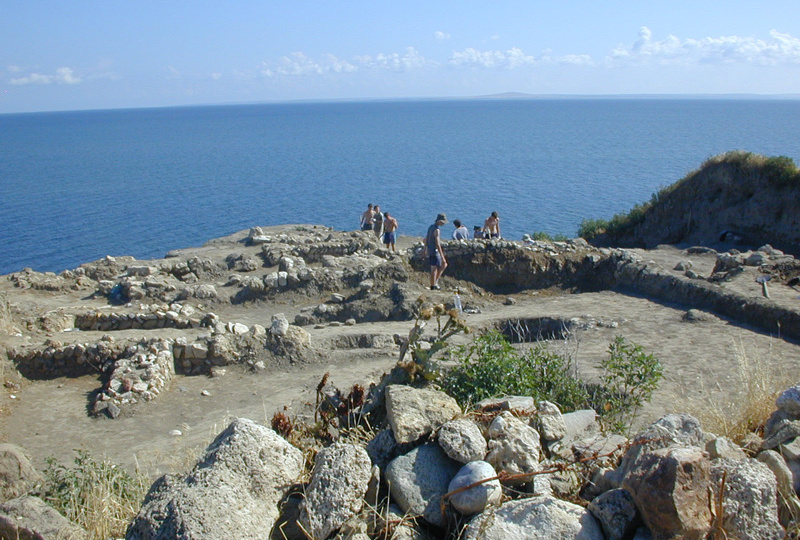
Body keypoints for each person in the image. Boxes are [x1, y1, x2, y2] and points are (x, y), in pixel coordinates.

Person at [425, 213, 448, 290]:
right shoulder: (437, 230)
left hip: (430, 250)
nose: (443, 224)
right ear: (439, 221)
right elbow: (438, 244)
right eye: (443, 222)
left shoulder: (430, 227)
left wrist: (425, 249)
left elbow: (426, 239)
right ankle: (434, 284)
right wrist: (442, 257)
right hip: (435, 251)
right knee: (440, 266)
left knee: (433, 269)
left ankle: (433, 285)